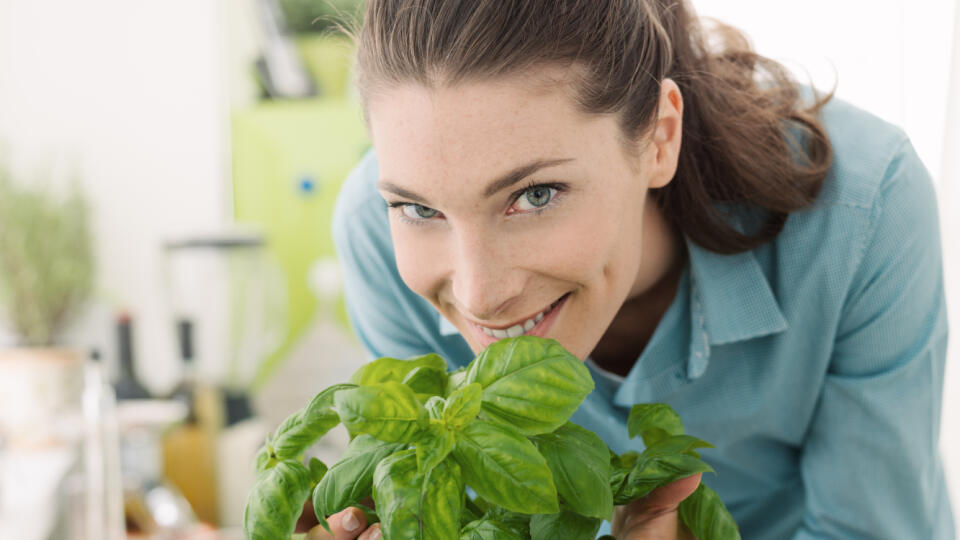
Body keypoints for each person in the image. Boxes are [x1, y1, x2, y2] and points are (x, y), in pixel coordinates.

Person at [306, 0, 954, 538]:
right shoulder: (371, 232)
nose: (480, 295)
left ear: (659, 137)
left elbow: (870, 526)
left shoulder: (864, 206)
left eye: (535, 195)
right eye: (419, 208)